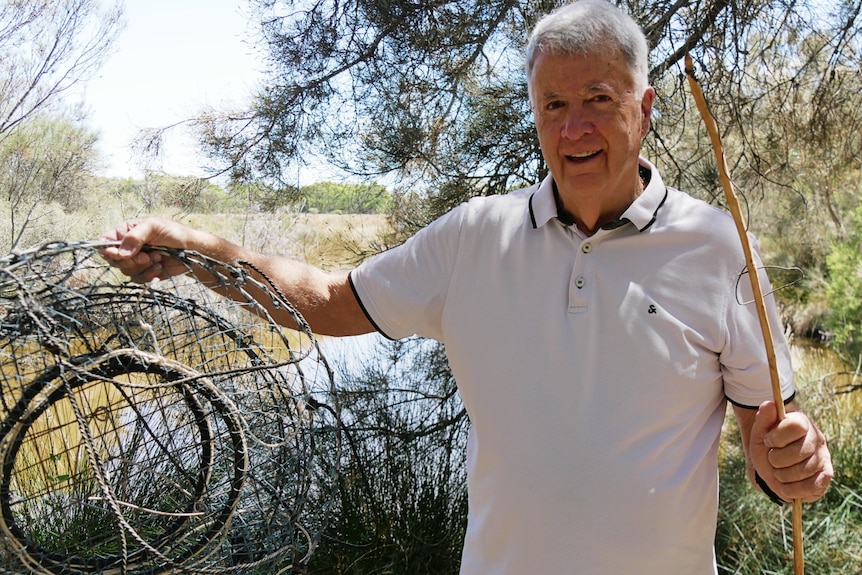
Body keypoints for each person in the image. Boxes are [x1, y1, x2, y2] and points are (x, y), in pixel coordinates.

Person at [100, 1, 833, 573]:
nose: (574, 126)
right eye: (553, 104)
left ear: (644, 110)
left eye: (599, 99)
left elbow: (768, 435)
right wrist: (196, 253)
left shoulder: (717, 246)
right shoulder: (474, 238)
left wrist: (789, 465)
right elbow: (323, 299)